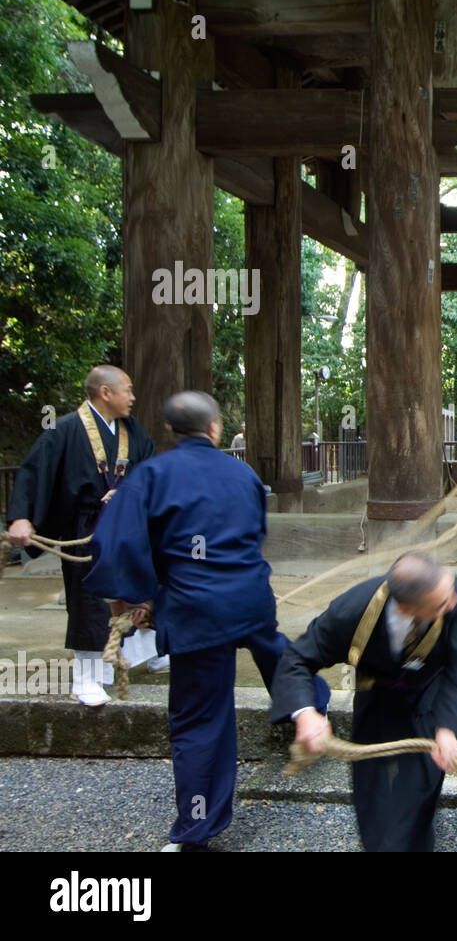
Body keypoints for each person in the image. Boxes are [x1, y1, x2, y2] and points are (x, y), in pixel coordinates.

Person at [83, 390, 328, 851]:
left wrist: (137, 600)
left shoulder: (150, 475)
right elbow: (254, 533)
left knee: (200, 719)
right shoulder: (244, 474)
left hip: (194, 609)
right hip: (250, 595)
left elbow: (116, 544)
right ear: (215, 429)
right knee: (274, 648)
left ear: (171, 431)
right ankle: (308, 708)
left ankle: (196, 827)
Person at [270, 552, 457, 852]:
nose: (451, 604)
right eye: (440, 605)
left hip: (433, 688)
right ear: (407, 608)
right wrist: (306, 714)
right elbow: (296, 660)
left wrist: (449, 728)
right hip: (379, 690)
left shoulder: (453, 592)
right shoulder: (350, 613)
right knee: (371, 790)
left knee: (418, 786)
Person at [5, 365, 157, 705]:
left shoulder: (132, 431)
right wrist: (20, 518)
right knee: (89, 602)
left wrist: (131, 494)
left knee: (144, 588)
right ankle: (85, 679)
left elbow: (151, 471)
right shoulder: (64, 430)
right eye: (127, 390)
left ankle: (145, 650)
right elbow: (33, 475)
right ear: (106, 393)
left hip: (127, 526)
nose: (132, 397)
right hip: (87, 528)